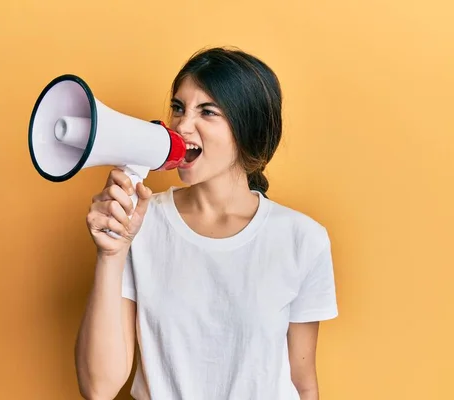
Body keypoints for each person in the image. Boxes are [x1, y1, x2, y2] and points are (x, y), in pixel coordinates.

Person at [75, 46, 338, 400]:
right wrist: (111, 254)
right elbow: (98, 388)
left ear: (247, 129)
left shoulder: (302, 239)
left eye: (208, 111)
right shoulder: (141, 223)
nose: (182, 126)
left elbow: (302, 382)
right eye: (179, 107)